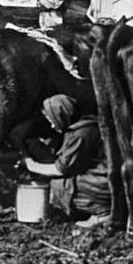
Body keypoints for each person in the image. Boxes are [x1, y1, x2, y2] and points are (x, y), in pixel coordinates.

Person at [22, 94, 111, 227]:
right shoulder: (85, 126)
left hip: (104, 182)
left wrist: (31, 165)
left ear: (62, 115)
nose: (52, 125)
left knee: (60, 185)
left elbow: (60, 169)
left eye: (52, 119)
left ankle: (103, 213)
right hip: (106, 178)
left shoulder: (81, 134)